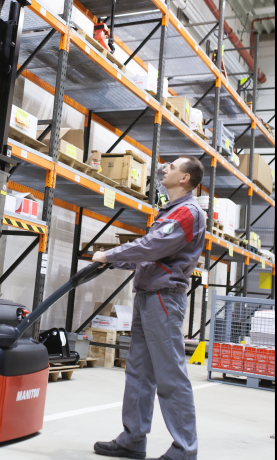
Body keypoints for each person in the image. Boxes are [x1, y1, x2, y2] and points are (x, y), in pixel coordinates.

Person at [92, 156, 206, 460]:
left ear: (185, 178)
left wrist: (111, 254)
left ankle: (184, 449)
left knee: (170, 375)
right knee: (139, 373)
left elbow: (152, 247)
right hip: (148, 295)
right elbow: (150, 255)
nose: (164, 169)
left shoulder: (187, 212)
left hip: (164, 299)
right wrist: (112, 260)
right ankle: (133, 439)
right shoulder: (170, 210)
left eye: (172, 167)